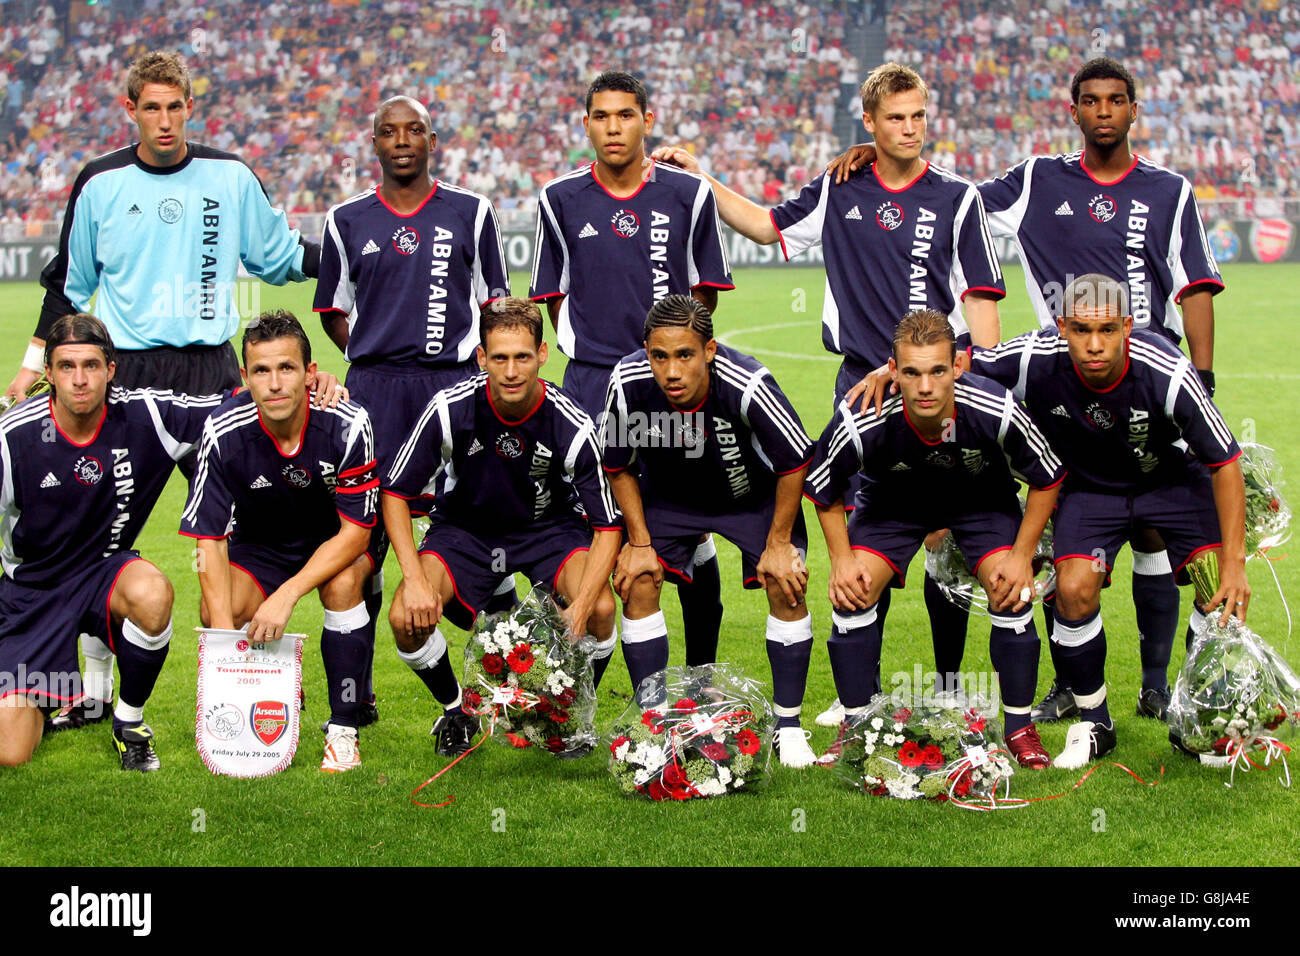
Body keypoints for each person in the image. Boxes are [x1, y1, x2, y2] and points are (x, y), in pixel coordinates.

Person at [829, 58, 1224, 723]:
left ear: (1134, 110)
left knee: (1157, 530)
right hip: (1057, 381)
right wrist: (887, 158)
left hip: (1151, 380)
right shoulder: (1039, 178)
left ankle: (1158, 684)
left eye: (1117, 100)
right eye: (1091, 101)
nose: (1104, 111)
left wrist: (1205, 382)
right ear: (1073, 111)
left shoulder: (1170, 190)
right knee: (1058, 533)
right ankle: (1070, 684)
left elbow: (1196, 289)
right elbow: (950, 197)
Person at [654, 62, 1006, 714]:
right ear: (869, 123)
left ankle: (954, 686)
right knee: (857, 539)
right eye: (894, 118)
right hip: (862, 394)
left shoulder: (958, 199)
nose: (909, 129)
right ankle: (858, 702)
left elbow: (983, 314)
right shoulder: (839, 188)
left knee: (947, 536)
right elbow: (764, 225)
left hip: (939, 390)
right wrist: (702, 179)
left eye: (918, 117)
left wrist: (973, 382)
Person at [5, 50, 324, 733]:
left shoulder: (230, 176)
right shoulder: (99, 182)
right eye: (151, 107)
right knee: (98, 529)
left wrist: (358, 256)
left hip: (211, 372)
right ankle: (91, 691)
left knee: (239, 528)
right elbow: (68, 282)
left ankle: (246, 682)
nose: (165, 119)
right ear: (131, 111)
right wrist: (33, 364)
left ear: (190, 106)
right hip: (127, 378)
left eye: (175, 106)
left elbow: (283, 255)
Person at [857, 276, 1247, 767]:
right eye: (1081, 329)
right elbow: (946, 364)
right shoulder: (1032, 357)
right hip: (1089, 489)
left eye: (1108, 329)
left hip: (1168, 482)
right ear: (1061, 325)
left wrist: (1234, 562)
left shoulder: (1167, 371)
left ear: (1128, 325)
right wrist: (886, 374)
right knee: (1074, 587)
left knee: (1218, 587)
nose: (1094, 344)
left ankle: (1198, 719)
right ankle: (1095, 721)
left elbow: (1225, 461)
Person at [314, 95, 514, 727]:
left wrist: (467, 369)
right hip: (374, 395)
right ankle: (357, 696)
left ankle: (513, 676)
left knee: (477, 529)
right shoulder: (345, 219)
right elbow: (333, 313)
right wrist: (373, 362)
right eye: (388, 132)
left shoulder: (472, 212)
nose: (401, 141)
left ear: (434, 139)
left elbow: (496, 303)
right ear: (373, 144)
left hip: (454, 391)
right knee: (362, 542)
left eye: (414, 131)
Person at [530, 70, 734, 672]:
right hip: (590, 386)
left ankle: (700, 676)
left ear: (648, 119)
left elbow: (704, 297)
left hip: (669, 390)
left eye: (626, 115)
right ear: (586, 123)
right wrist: (597, 349)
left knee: (688, 528)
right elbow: (552, 295)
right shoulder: (559, 198)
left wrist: (661, 359)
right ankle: (576, 680)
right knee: (586, 523)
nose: (613, 127)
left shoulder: (687, 194)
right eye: (601, 116)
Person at [804, 309, 1064, 769]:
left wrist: (1023, 556)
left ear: (958, 367)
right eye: (912, 372)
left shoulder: (994, 407)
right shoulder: (863, 413)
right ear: (893, 370)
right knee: (853, 590)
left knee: (1011, 588)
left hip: (980, 498)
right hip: (894, 501)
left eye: (937, 371)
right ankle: (857, 725)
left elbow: (1047, 477)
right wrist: (841, 560)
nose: (925, 387)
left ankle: (1020, 728)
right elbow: (822, 485)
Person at [383, 298, 621, 758]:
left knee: (601, 611)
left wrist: (581, 605)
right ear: (481, 358)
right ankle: (457, 710)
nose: (511, 371)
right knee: (403, 619)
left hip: (546, 528)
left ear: (543, 354)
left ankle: (567, 714)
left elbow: (608, 526)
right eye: (500, 358)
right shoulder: (450, 409)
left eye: (523, 357)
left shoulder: (571, 424)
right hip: (465, 531)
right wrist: (414, 580)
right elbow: (395, 494)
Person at [0, 314, 229, 770]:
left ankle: (129, 722)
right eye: (66, 366)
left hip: (104, 574)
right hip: (32, 592)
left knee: (153, 592)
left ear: (112, 369)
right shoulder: (13, 437)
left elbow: (236, 409)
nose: (80, 379)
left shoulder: (146, 415)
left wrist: (313, 382)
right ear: (49, 373)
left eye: (91, 365)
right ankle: (45, 692)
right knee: (11, 754)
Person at [601, 295, 818, 766]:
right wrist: (639, 543)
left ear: (710, 351)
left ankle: (789, 725)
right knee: (636, 579)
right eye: (659, 356)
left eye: (685, 355)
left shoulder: (749, 384)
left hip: (749, 498)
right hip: (670, 500)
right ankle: (655, 727)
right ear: (646, 352)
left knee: (787, 581)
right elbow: (617, 466)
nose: (671, 372)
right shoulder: (627, 382)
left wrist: (779, 544)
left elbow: (795, 460)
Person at [180, 311, 378, 773]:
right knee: (217, 607)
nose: (274, 383)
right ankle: (260, 690)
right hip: (263, 542)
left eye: (286, 368)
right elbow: (208, 540)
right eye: (262, 371)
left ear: (311, 374)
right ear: (244, 377)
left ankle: (343, 730)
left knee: (344, 585)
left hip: (337, 539)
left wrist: (288, 595)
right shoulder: (222, 431)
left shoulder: (348, 423)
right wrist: (233, 650)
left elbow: (356, 532)